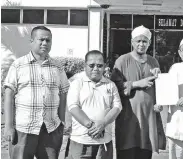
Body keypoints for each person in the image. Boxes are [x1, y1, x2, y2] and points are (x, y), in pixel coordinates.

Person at [3, 26, 69, 159]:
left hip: (51, 128)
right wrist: (9, 126)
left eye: (48, 40)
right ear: (31, 41)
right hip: (23, 128)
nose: (45, 43)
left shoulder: (57, 67)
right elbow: (8, 95)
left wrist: (61, 121)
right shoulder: (18, 65)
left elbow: (63, 93)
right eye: (41, 40)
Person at [110, 25, 164, 159]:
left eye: (145, 41)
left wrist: (160, 102)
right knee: (127, 150)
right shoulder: (122, 61)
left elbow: (159, 89)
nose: (141, 44)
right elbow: (113, 88)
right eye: (138, 41)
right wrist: (136, 84)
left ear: (149, 43)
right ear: (132, 42)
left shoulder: (153, 62)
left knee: (145, 152)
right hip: (128, 118)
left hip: (148, 118)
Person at [66, 50, 122, 159]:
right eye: (91, 65)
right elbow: (73, 107)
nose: (96, 68)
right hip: (81, 140)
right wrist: (92, 127)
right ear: (85, 66)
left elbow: (117, 106)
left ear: (105, 66)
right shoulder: (77, 83)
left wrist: (103, 124)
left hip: (104, 142)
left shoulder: (110, 85)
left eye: (99, 65)